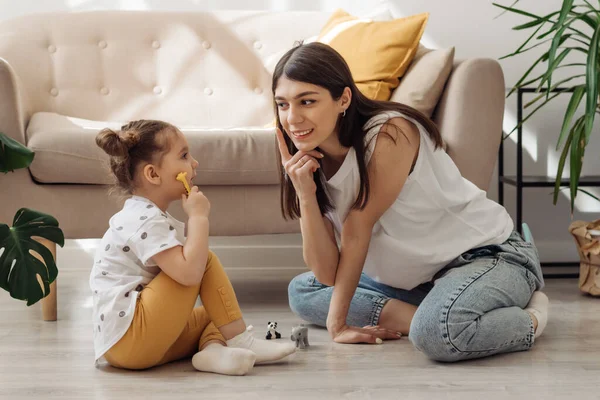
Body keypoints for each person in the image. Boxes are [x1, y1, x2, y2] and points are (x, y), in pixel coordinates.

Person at [274, 42, 549, 362]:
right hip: (417, 280)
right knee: (303, 291)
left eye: (307, 101)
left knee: (435, 337)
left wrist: (338, 325)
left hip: (488, 256)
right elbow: (326, 274)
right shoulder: (306, 157)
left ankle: (530, 316)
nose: (292, 118)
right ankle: (438, 315)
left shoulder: (390, 132)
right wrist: (305, 195)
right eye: (282, 104)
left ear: (343, 99)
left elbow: (356, 227)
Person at [90, 120, 295, 374]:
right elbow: (190, 274)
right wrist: (198, 218)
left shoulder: (143, 214)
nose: (194, 163)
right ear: (153, 174)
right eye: (184, 156)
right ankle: (242, 340)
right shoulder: (143, 219)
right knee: (203, 261)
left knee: (217, 312)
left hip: (126, 348)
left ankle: (212, 352)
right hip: (133, 335)